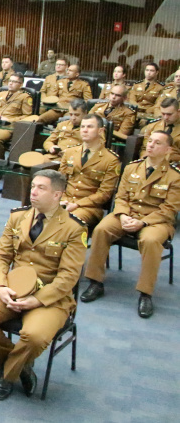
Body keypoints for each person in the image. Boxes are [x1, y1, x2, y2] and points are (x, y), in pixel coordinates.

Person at [0, 170, 86, 400]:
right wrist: (0, 286)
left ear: (57, 195)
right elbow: (1, 257)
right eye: (33, 186)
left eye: (41, 188)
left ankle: (8, 375)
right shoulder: (17, 217)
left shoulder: (74, 228)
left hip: (50, 297)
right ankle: (21, 368)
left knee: (33, 336)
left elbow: (68, 277)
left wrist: (37, 300)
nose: (33, 191)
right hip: (13, 289)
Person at [82, 130, 180, 318]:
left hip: (156, 221)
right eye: (149, 141)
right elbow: (121, 197)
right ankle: (95, 282)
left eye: (157, 143)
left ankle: (145, 294)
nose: (150, 145)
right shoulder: (132, 168)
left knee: (151, 241)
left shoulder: (175, 176)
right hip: (128, 214)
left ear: (167, 150)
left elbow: (169, 209)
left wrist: (142, 222)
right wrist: (123, 215)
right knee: (102, 229)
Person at [57, 114, 120, 228]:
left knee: (68, 222)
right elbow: (60, 182)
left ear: (100, 131)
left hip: (89, 208)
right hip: (65, 201)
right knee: (34, 216)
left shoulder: (111, 160)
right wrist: (63, 200)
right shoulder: (69, 152)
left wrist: (77, 204)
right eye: (82, 127)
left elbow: (104, 194)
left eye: (90, 127)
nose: (85, 130)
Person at [140, 98, 180, 163]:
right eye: (163, 114)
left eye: (169, 114)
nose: (166, 117)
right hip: (151, 162)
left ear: (178, 112)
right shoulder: (152, 127)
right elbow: (144, 149)